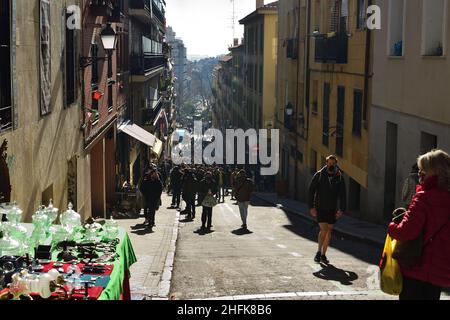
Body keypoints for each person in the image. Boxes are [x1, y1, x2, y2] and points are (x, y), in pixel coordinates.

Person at [389, 149, 450, 300]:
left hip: (417, 267)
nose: (420, 175)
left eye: (423, 171)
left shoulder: (424, 198)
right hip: (439, 271)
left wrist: (392, 227)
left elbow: (406, 231)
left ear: (433, 172)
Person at [308, 155, 346, 264]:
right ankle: (318, 252)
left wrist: (341, 209)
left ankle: (324, 254)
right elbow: (311, 191)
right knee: (324, 229)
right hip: (320, 208)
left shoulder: (339, 176)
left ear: (336, 164)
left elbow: (343, 194)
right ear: (326, 163)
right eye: (329, 163)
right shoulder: (319, 175)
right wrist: (311, 207)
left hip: (332, 209)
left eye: (333, 163)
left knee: (329, 231)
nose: (331, 165)